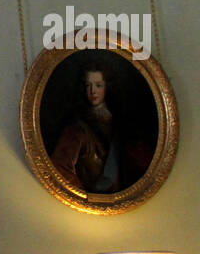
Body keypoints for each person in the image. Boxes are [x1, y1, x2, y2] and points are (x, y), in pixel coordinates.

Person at [50, 61, 150, 193]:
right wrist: (84, 197)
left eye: (98, 85)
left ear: (107, 87)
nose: (92, 91)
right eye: (88, 85)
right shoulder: (77, 128)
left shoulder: (120, 121)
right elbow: (60, 167)